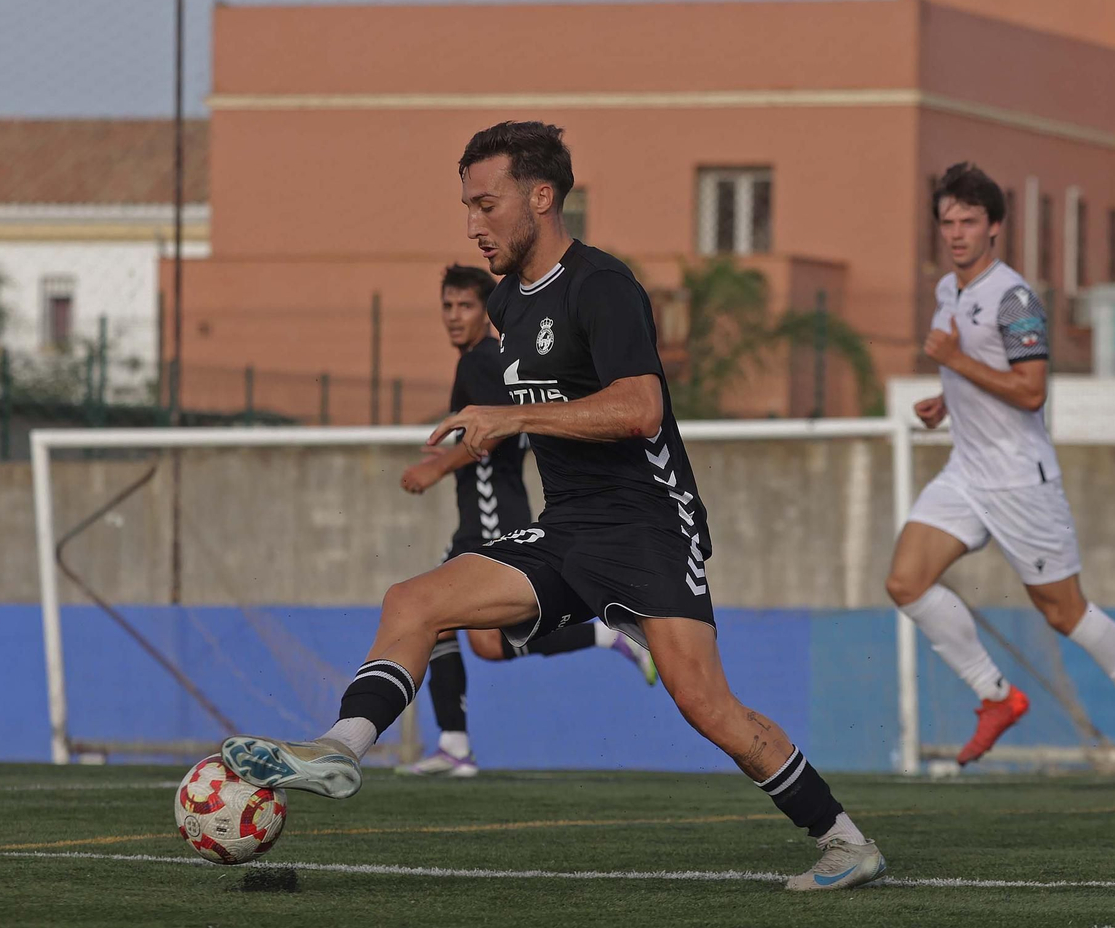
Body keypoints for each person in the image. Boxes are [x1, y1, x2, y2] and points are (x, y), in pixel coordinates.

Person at [220, 121, 885, 890]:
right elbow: (520, 413)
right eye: (466, 207)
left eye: (487, 204)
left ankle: (843, 840)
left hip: (647, 526)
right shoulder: (506, 304)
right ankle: (339, 748)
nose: (474, 224)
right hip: (566, 526)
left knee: (707, 706)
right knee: (414, 601)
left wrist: (513, 417)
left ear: (542, 198)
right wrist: (461, 449)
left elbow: (639, 407)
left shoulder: (602, 287)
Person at [886, 161, 1115, 787]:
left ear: (995, 226)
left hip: (1022, 481)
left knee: (1065, 614)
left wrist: (956, 364)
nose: (957, 232)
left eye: (970, 221)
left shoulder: (1014, 297)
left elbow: (1030, 392)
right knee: (905, 582)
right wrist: (946, 400)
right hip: (967, 471)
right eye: (948, 222)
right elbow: (976, 373)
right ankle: (995, 697)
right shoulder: (949, 290)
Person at [394, 263, 657, 778]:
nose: (454, 316)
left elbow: (495, 435)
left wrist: (436, 467)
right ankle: (609, 637)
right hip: (485, 512)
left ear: (485, 311)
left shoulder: (485, 361)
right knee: (485, 644)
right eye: (447, 306)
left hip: (492, 516)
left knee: (435, 614)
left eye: (465, 306)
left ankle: (455, 747)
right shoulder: (478, 362)